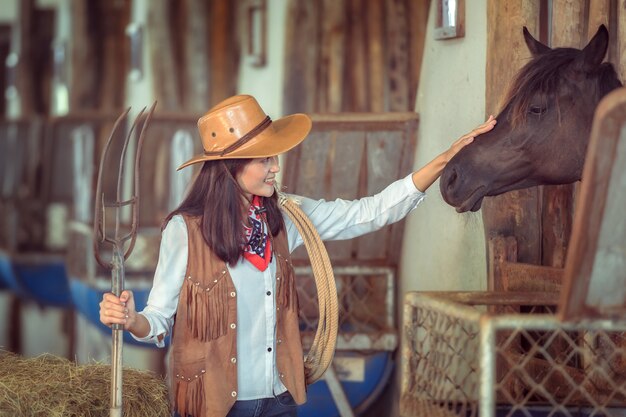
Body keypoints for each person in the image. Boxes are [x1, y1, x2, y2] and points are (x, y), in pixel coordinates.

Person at [99, 94, 496, 417]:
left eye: (274, 157)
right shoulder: (184, 230)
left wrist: (444, 160)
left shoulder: (288, 216)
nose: (276, 168)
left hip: (279, 400)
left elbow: (370, 211)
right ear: (230, 168)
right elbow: (159, 321)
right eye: (264, 160)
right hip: (214, 405)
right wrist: (131, 319)